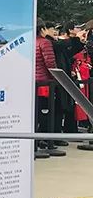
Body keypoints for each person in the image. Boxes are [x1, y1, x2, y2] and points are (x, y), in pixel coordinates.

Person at [35, 19, 60, 156]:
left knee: (35, 112)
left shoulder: (29, 42)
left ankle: (36, 141)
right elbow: (50, 62)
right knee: (45, 112)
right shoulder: (45, 43)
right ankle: (45, 140)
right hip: (44, 82)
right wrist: (55, 78)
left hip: (32, 82)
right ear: (42, 29)